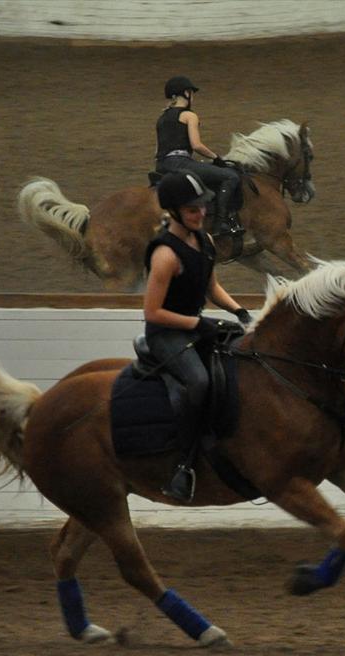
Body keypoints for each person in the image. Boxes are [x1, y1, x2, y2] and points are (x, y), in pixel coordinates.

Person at [143, 170, 254, 502]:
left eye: (203, 207)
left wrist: (239, 312)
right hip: (166, 334)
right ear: (175, 212)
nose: (202, 213)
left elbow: (212, 287)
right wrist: (197, 325)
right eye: (193, 210)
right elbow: (152, 312)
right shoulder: (165, 255)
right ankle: (183, 463)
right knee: (200, 382)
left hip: (194, 324)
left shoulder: (203, 241)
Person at [154, 75, 244, 237]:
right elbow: (196, 145)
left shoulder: (162, 118)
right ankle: (221, 223)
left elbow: (157, 150)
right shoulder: (190, 116)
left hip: (161, 165)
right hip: (181, 163)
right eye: (191, 93)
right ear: (186, 93)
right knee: (231, 176)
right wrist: (217, 158)